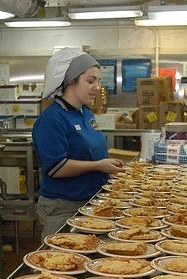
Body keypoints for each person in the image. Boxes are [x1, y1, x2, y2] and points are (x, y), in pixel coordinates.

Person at [33, 48, 124, 238]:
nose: (97, 87)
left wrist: (107, 168)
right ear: (71, 81)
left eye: (98, 81)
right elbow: (57, 168)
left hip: (91, 202)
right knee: (62, 254)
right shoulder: (52, 119)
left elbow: (89, 150)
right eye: (90, 81)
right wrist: (98, 165)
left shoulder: (85, 113)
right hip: (63, 208)